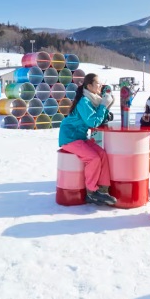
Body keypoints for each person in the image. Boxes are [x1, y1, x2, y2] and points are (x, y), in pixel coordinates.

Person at [58, 73, 116, 206]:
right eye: (98, 84)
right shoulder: (84, 101)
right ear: (89, 86)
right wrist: (103, 106)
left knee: (102, 154)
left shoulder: (93, 99)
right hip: (70, 137)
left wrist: (107, 106)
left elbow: (99, 118)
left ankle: (102, 189)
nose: (100, 86)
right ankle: (92, 191)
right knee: (93, 158)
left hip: (80, 137)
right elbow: (93, 122)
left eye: (101, 83)